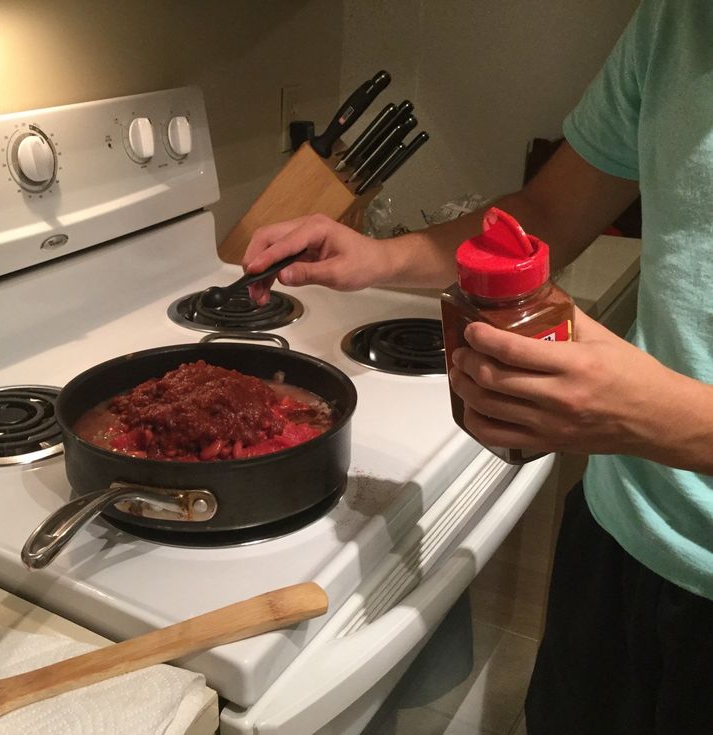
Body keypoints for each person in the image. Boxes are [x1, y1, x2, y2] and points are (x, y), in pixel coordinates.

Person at [242, 2, 712, 733]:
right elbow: (545, 211)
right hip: (618, 532)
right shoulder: (676, 21)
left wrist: (671, 421)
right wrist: (377, 258)